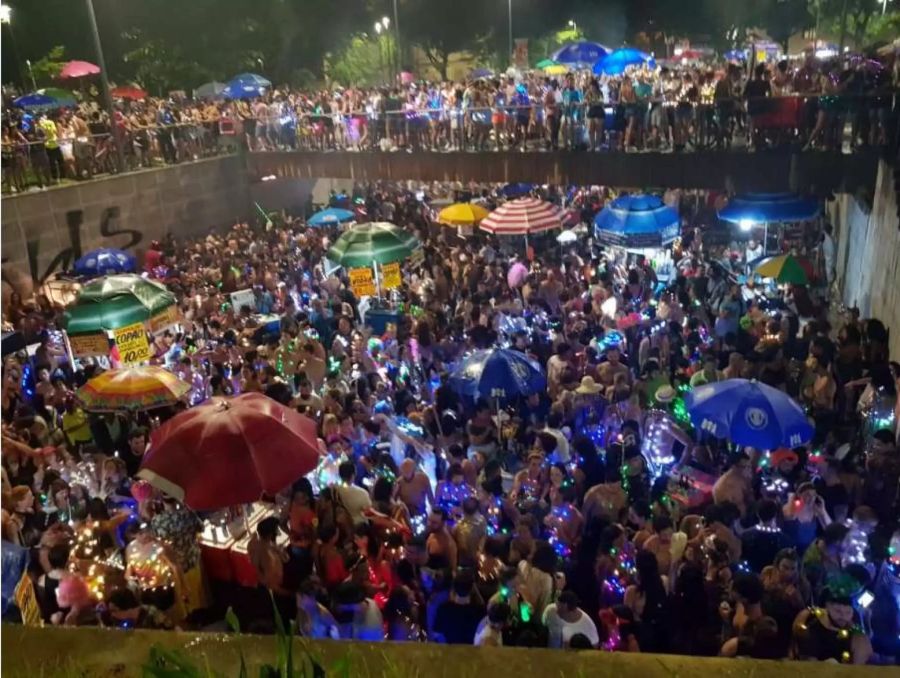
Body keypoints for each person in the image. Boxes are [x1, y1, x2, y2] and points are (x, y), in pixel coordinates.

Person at [432, 571, 485, 644]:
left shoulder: (443, 609)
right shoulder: (479, 611)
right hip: (472, 652)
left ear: (454, 588)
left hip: (449, 652)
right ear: (472, 589)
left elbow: (437, 635)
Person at [334, 461, 372, 526]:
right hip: (358, 526)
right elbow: (369, 511)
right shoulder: (362, 493)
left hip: (340, 525)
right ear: (353, 474)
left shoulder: (334, 490)